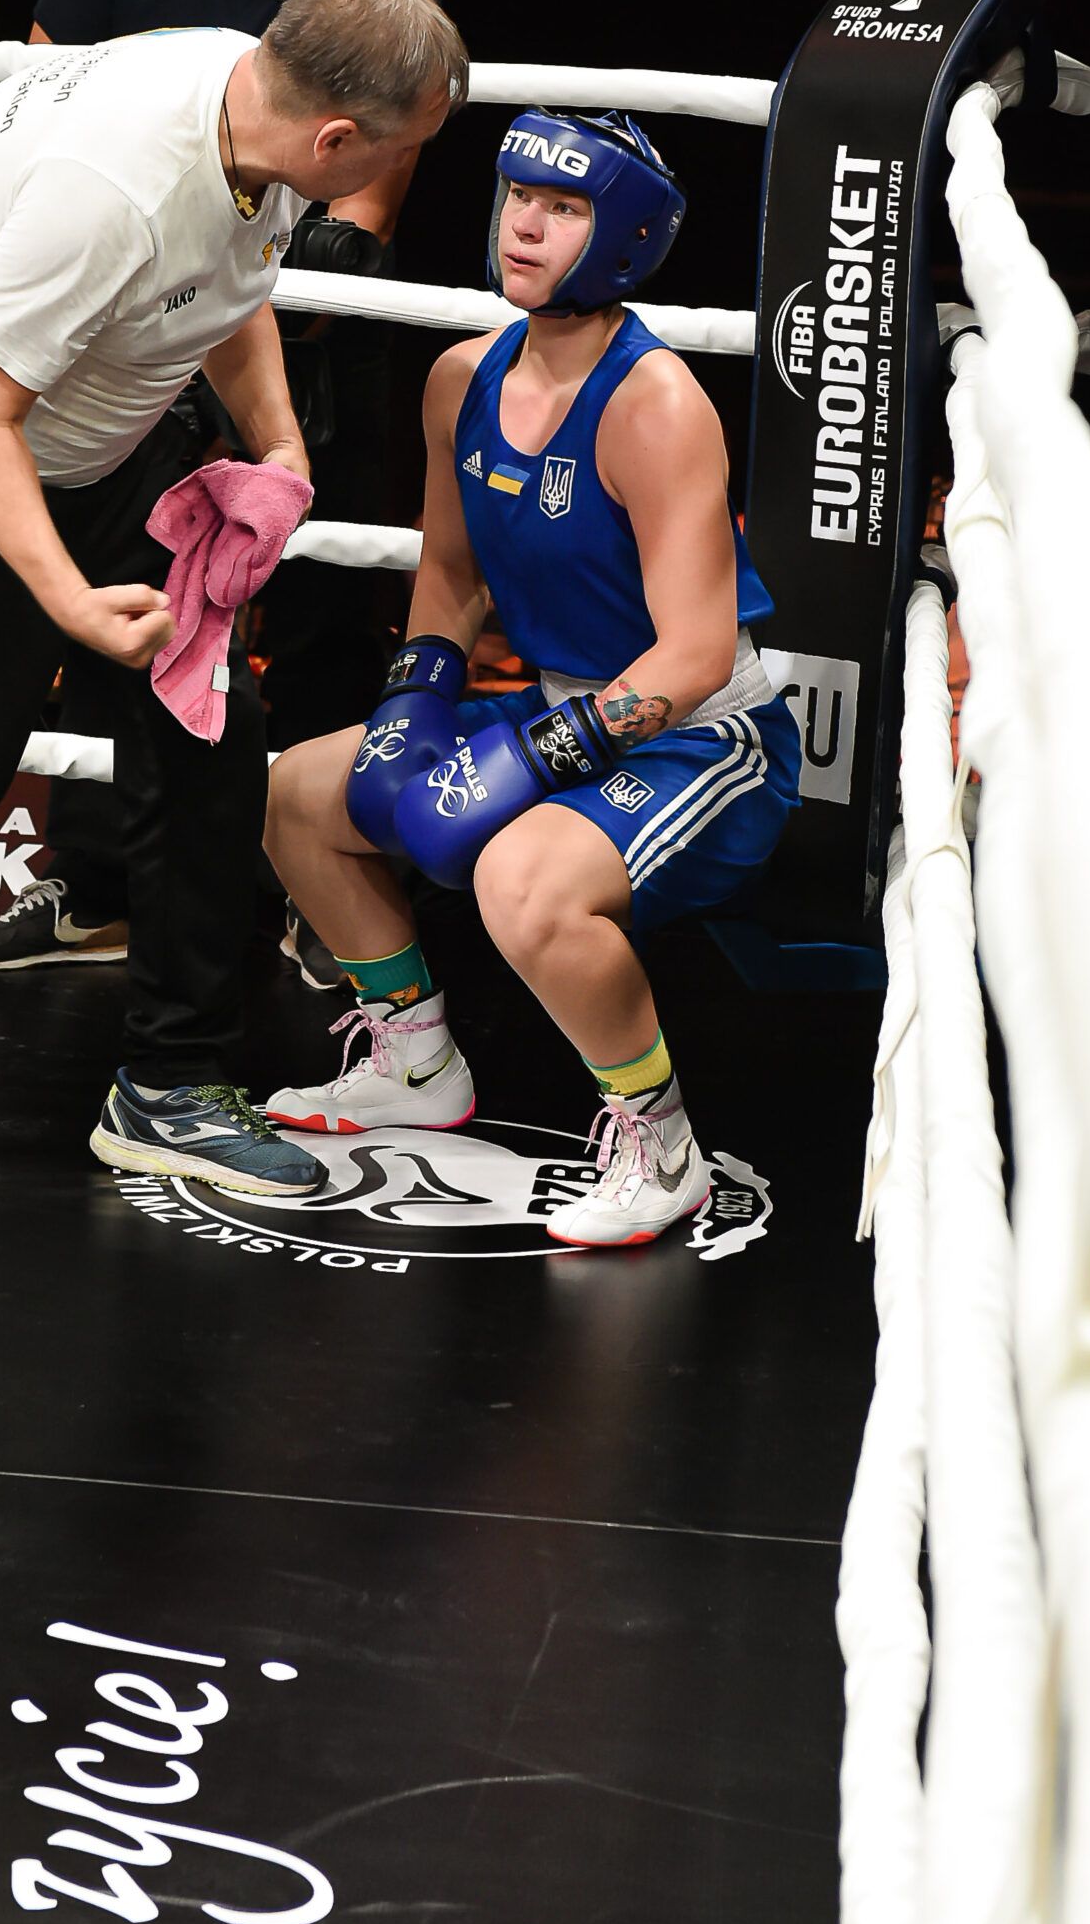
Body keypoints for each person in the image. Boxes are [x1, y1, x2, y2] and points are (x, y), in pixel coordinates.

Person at [0, 0, 468, 1209]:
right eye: (399, 150)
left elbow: (227, 280)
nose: (401, 173)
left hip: (107, 436)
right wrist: (72, 602)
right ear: (336, 138)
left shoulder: (250, 101)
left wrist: (279, 439)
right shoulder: (113, 191)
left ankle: (170, 1081)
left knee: (212, 736)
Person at [262, 111, 801, 1249]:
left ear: (622, 238)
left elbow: (695, 653)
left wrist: (538, 755)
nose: (526, 225)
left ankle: (662, 1146)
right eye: (519, 196)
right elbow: (452, 572)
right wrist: (414, 701)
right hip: (560, 706)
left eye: (563, 207)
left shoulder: (655, 405)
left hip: (705, 740)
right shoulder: (461, 378)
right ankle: (414, 1061)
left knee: (520, 880)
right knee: (300, 795)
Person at [0, 0, 441, 975]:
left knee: (327, 592)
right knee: (133, 573)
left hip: (299, 289)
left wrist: (343, 256)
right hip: (139, 283)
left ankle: (327, 885)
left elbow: (392, 138)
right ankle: (96, 883)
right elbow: (44, 84)